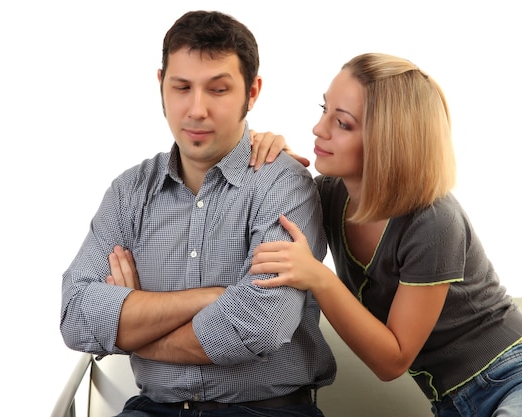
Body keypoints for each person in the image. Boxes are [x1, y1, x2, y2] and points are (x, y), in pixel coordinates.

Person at [249, 53, 522, 416]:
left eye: (343, 123)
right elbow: (262, 196)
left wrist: (318, 277)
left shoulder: (433, 221)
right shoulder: (328, 196)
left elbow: (393, 360)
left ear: (388, 140)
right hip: (451, 404)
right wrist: (267, 152)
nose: (319, 129)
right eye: (324, 110)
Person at [60, 10, 336, 417]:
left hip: (265, 411)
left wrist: (133, 321)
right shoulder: (129, 192)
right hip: (154, 408)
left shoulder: (283, 185)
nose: (196, 109)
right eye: (182, 87)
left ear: (252, 92)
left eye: (218, 89)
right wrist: (213, 297)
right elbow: (77, 314)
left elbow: (259, 324)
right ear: (161, 86)